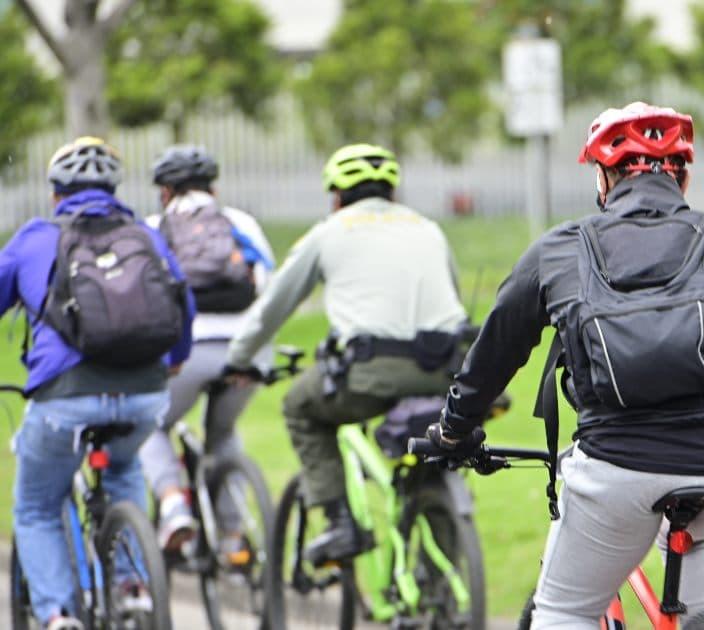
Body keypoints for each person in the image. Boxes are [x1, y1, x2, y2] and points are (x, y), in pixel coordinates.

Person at [426, 102, 704, 629]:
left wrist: (454, 430)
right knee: (697, 535)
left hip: (618, 467)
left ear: (604, 177)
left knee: (563, 611)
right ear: (683, 176)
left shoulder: (560, 249)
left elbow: (494, 355)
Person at [223, 143, 467, 564]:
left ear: (335, 196)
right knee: (435, 452)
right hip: (448, 371)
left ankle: (339, 525)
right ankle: (442, 572)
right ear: (392, 193)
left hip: (370, 373)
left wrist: (238, 359)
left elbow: (273, 308)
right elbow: (453, 298)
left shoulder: (330, 232)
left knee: (300, 406)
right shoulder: (429, 229)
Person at [3, 137, 194, 630]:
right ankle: (133, 586)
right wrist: (173, 362)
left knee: (36, 507)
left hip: (64, 399)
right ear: (114, 188)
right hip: (145, 394)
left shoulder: (35, 237)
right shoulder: (146, 237)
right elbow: (181, 302)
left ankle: (57, 614)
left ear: (55, 195)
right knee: (124, 463)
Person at [138, 145, 276, 552]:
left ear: (165, 191)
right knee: (224, 431)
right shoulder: (240, 223)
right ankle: (233, 537)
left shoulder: (151, 227)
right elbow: (269, 287)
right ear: (212, 188)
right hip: (245, 352)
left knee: (151, 425)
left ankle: (174, 504)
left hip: (186, 352)